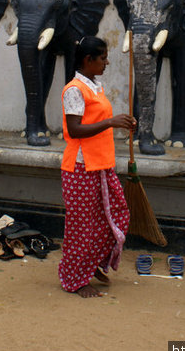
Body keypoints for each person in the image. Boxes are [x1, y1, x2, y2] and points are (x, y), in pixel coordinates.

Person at [58, 36, 136, 298]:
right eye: (102, 57)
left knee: (116, 215)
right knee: (82, 226)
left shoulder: (94, 87)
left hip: (101, 165)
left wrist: (120, 122)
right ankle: (74, 279)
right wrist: (112, 122)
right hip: (81, 166)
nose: (106, 62)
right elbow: (74, 129)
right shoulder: (74, 90)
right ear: (87, 60)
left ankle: (90, 265)